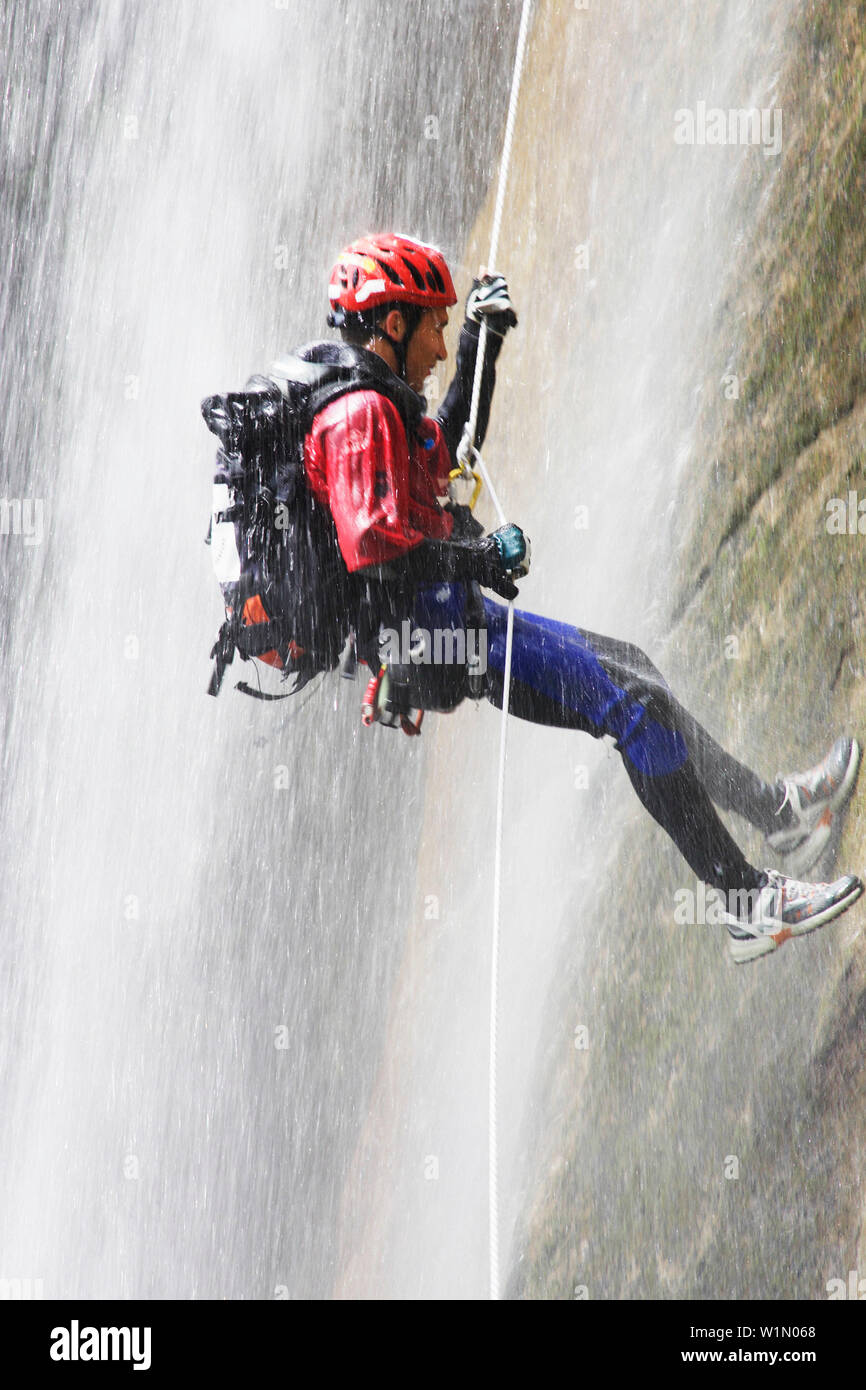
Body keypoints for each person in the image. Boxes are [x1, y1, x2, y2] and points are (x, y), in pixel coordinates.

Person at [296, 233, 864, 962]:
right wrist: (478, 554)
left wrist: (481, 336)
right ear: (393, 323)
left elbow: (449, 450)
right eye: (435, 326)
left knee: (636, 675)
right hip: (443, 642)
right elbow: (374, 547)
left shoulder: (380, 403)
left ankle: (780, 814)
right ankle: (748, 901)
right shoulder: (355, 418)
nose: (439, 348)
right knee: (628, 704)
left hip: (453, 622)